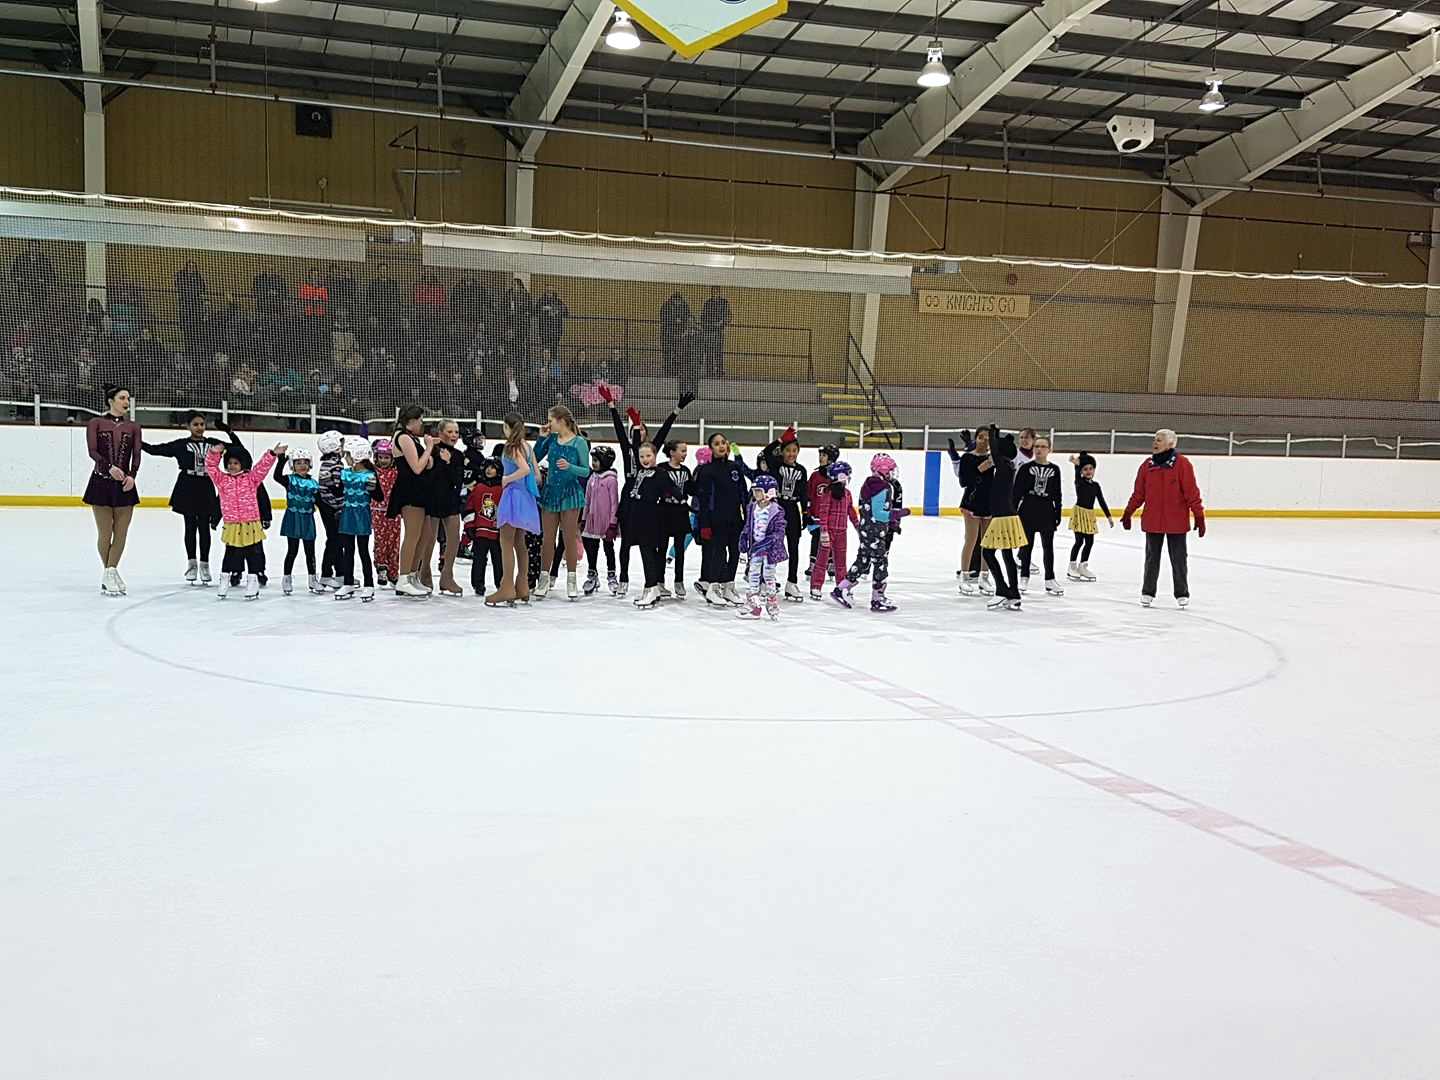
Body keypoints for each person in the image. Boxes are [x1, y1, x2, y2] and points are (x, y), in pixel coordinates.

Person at [141, 410, 226, 586]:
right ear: (187, 426)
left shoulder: (214, 443)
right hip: (187, 485)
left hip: (206, 486)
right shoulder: (181, 445)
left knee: (204, 527)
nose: (199, 428)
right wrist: (136, 441)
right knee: (190, 526)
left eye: (202, 424)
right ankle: (192, 563)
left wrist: (228, 433)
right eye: (195, 424)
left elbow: (237, 449)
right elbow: (155, 450)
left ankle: (205, 564)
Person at [1122, 429, 1205, 608]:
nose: (1155, 442)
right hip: (1153, 520)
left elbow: (1191, 492)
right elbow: (1139, 493)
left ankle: (1181, 592)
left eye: (1159, 440)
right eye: (1154, 439)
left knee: (1179, 558)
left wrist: (1199, 514)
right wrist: (1128, 512)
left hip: (1176, 521)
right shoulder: (1147, 466)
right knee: (1151, 558)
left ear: (1170, 444)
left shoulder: (1182, 464)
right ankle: (1148, 591)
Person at [84, 383, 141, 596]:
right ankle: (110, 573)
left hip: (125, 484)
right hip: (101, 482)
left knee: (121, 533)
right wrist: (109, 467)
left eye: (128, 398)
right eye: (122, 398)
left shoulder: (133, 427)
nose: (127, 402)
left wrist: (132, 476)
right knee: (105, 532)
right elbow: (92, 451)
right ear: (111, 401)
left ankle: (110, 572)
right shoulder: (96, 423)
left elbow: (137, 455)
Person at [832, 454, 909, 613]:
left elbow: (869, 510)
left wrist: (891, 524)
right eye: (890, 470)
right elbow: (879, 513)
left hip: (867, 529)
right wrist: (896, 514)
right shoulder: (882, 488)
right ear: (883, 470)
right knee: (880, 562)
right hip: (875, 532)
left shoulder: (870, 484)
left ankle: (842, 588)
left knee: (864, 559)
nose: (892, 473)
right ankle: (877, 598)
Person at [206, 441, 280, 601]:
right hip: (232, 523)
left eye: (236, 463)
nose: (232, 466)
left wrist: (272, 454)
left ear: (243, 464)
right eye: (230, 463)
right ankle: (224, 581)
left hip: (250, 522)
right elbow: (211, 467)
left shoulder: (251, 479)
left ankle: (252, 582)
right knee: (230, 553)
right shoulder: (222, 480)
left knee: (253, 553)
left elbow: (262, 468)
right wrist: (214, 453)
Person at [532, 405, 590, 600]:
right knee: (548, 538)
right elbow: (535, 458)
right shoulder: (551, 439)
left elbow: (586, 471)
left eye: (551, 420)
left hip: (570, 494)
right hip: (551, 492)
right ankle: (543, 579)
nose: (548, 424)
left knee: (568, 538)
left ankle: (571, 580)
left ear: (561, 421)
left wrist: (570, 466)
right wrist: (541, 438)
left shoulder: (579, 442)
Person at [486, 412, 542, 608]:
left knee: (506, 542)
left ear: (507, 427)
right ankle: (522, 586)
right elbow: (536, 475)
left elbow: (525, 470)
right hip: (526, 497)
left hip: (513, 496)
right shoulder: (527, 446)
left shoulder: (511, 447)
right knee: (520, 542)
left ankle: (507, 586)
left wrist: (506, 479)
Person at [693, 432, 751, 607]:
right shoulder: (706, 470)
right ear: (711, 448)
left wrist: (747, 518)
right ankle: (712, 588)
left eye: (723, 443)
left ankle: (728, 587)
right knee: (718, 553)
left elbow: (743, 494)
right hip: (715, 519)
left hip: (735, 518)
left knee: (735, 552)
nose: (721, 446)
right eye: (717, 444)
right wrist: (704, 523)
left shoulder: (735, 468)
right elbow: (703, 499)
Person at [386, 404, 438, 599]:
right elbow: (417, 467)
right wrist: (429, 448)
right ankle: (404, 578)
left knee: (426, 534)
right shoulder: (403, 437)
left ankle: (413, 575)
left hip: (420, 490)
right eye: (421, 420)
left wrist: (427, 454)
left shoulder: (411, 438)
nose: (422, 424)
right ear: (413, 420)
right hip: (410, 491)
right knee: (413, 534)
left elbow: (426, 463)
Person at [627, 442, 683, 610]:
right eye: (642, 456)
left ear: (655, 455)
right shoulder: (641, 472)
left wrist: (680, 498)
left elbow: (671, 487)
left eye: (648, 456)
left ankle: (652, 586)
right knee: (646, 551)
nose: (645, 459)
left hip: (650, 516)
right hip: (638, 515)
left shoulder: (660, 473)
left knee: (648, 551)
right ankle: (651, 587)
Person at [979, 425, 1027, 611]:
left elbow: (995, 451)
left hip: (1002, 517)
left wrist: (992, 433)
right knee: (1006, 555)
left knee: (988, 553)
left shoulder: (1003, 466)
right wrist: (996, 436)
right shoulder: (1008, 466)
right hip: (1008, 515)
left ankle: (1001, 589)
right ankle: (1013, 593)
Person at [332, 437, 385, 602]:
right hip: (347, 515)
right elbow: (339, 493)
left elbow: (379, 497)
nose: (345, 457)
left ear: (356, 455)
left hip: (362, 516)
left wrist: (372, 488)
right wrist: (329, 484)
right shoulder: (345, 473)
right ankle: (348, 583)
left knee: (363, 550)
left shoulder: (369, 475)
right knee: (348, 550)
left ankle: (369, 584)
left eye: (348, 454)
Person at [1013, 435, 1064, 596]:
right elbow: (1017, 491)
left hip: (1046, 510)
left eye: (1043, 447)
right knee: (1026, 546)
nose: (1039, 449)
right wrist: (1013, 512)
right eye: (1036, 446)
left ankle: (1050, 579)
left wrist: (1058, 512)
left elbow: (1057, 493)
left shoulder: (1055, 470)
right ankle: (1024, 577)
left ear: (1049, 450)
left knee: (1048, 546)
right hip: (1028, 509)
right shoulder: (1025, 468)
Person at [762, 426, 809, 601]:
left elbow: (804, 492)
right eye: (788, 450)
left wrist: (805, 511)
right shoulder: (776, 465)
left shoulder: (802, 470)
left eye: (794, 450)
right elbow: (766, 452)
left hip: (792, 510)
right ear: (782, 452)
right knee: (773, 545)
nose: (791, 454)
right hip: (777, 508)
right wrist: (780, 439)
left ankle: (792, 582)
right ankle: (767, 580)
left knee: (794, 547)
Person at [736, 474, 787, 620]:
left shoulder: (777, 510)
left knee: (769, 576)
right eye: (754, 491)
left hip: (769, 551)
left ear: (769, 492)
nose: (755, 493)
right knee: (753, 574)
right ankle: (754, 602)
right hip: (755, 549)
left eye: (758, 490)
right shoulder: (752, 507)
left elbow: (779, 531)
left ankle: (771, 601)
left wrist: (767, 543)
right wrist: (744, 536)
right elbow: (748, 525)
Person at [428, 419, 467, 598]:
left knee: (453, 539)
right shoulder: (432, 451)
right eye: (450, 432)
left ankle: (447, 576)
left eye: (456, 432)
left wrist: (448, 462)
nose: (454, 435)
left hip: (451, 500)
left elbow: (457, 481)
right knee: (428, 539)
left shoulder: (458, 456)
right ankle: (424, 573)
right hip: (433, 500)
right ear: (440, 433)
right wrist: (441, 462)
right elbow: (430, 478)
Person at [810, 461, 858, 600]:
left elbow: (850, 510)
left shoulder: (847, 494)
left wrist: (857, 525)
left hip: (842, 532)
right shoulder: (828, 493)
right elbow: (823, 512)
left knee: (841, 562)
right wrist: (824, 531)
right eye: (847, 475)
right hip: (829, 532)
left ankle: (841, 586)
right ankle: (816, 585)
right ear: (841, 476)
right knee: (822, 560)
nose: (849, 477)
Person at [1067, 451, 1113, 582]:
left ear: (1094, 469)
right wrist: (1076, 465)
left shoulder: (1096, 486)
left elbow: (1101, 500)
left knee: (1090, 542)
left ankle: (1083, 566)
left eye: (1090, 468)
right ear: (1082, 471)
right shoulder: (1079, 482)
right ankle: (1072, 566)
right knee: (1079, 541)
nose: (1088, 471)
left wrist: (1108, 516)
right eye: (1085, 469)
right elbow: (1077, 473)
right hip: (1079, 513)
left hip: (1089, 515)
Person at [581, 445, 620, 597]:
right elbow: (587, 499)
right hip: (591, 521)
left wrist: (613, 523)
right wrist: (584, 518)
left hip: (606, 522)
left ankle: (612, 575)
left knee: (608, 549)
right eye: (593, 460)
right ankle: (592, 574)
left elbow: (614, 503)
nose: (593, 463)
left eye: (596, 460)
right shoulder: (592, 478)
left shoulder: (611, 480)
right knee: (591, 548)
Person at [463, 456, 504, 597]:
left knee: (498, 560)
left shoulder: (503, 489)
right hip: (480, 532)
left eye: (492, 467)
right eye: (487, 467)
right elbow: (469, 507)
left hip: (497, 533)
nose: (489, 470)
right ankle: (478, 584)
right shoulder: (478, 488)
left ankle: (500, 583)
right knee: (479, 559)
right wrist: (469, 525)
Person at [658, 440, 693, 599]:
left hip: (681, 512)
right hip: (665, 511)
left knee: (680, 549)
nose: (685, 454)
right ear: (672, 452)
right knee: (662, 547)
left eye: (686, 451)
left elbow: (690, 488)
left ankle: (679, 581)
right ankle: (659, 581)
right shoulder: (662, 469)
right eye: (682, 451)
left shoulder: (685, 470)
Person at [315, 430, 347, 590]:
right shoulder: (336, 464)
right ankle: (326, 574)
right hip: (332, 507)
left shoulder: (327, 463)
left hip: (326, 505)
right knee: (335, 541)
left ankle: (340, 573)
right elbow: (337, 489)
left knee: (337, 540)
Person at [370, 438, 400, 588]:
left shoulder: (396, 472)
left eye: (386, 457)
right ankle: (381, 567)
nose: (383, 460)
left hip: (394, 512)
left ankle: (393, 573)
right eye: (380, 457)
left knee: (394, 542)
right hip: (377, 511)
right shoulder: (373, 472)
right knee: (380, 540)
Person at [807, 444, 839, 579]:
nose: (820, 458)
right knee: (816, 539)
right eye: (820, 455)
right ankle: (812, 563)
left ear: (831, 458)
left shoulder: (835, 477)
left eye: (824, 455)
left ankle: (831, 563)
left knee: (828, 540)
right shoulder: (815, 476)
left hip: (829, 517)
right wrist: (807, 513)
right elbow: (809, 495)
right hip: (816, 516)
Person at [700, 286, 733, 377]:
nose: (715, 293)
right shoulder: (707, 303)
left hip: (719, 331)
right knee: (709, 351)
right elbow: (703, 317)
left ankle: (719, 371)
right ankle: (709, 371)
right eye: (713, 291)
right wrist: (706, 325)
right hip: (708, 331)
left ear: (719, 292)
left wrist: (722, 321)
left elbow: (729, 316)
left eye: (716, 291)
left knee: (718, 351)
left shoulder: (724, 302)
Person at [659, 291, 691, 376]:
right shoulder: (666, 306)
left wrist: (682, 322)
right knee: (667, 354)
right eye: (676, 301)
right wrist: (674, 320)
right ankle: (668, 372)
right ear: (673, 300)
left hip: (679, 335)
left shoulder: (684, 306)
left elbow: (688, 317)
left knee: (678, 354)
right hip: (667, 334)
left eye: (679, 301)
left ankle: (677, 371)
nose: (678, 303)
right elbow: (663, 319)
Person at [537, 285, 569, 354]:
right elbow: (535, 312)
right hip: (544, 330)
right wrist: (543, 309)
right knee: (544, 349)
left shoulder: (559, 301)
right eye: (547, 290)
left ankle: (553, 360)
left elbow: (566, 313)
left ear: (553, 291)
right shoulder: (541, 301)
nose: (549, 292)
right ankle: (544, 361)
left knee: (554, 349)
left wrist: (558, 310)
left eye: (551, 290)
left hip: (556, 330)